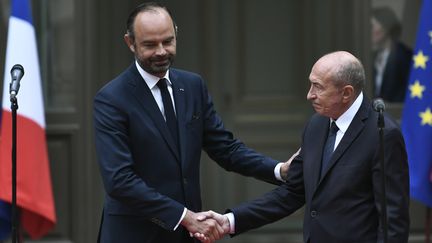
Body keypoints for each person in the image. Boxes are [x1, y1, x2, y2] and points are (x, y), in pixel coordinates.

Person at [93, 2, 294, 243]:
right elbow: (119, 180)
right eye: (150, 44)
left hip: (187, 236)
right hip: (135, 234)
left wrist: (279, 170)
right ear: (130, 43)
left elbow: (225, 148)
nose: (161, 51)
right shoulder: (112, 99)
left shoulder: (192, 86)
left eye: (168, 41)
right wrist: (184, 216)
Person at [197, 51, 410, 243]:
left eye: (318, 87)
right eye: (311, 84)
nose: (309, 95)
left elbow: (392, 220)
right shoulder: (316, 125)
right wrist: (230, 221)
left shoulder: (383, 134)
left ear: (346, 93)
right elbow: (292, 192)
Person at [371, 7, 412, 102]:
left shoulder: (404, 56)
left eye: (372, 26)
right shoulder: (373, 57)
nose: (370, 31)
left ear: (385, 27)